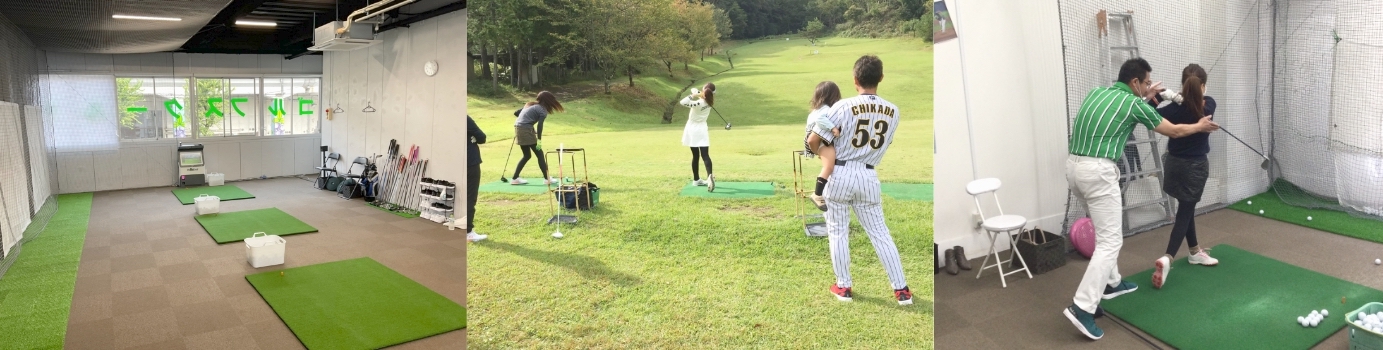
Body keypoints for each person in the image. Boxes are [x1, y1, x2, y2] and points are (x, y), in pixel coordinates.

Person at [1063, 58, 1219, 340]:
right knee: (1111, 241)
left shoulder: (1097, 92)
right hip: (1098, 171)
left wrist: (1150, 98)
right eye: (1147, 82)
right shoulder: (1135, 104)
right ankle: (1082, 307)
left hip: (1073, 168)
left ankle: (1111, 284)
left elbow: (1138, 108)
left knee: (1103, 233)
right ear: (1136, 82)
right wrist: (1200, 126)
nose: (1149, 87)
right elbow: (1173, 130)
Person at [814, 55, 912, 306]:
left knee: (837, 232)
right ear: (880, 78)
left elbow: (816, 139)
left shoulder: (842, 107)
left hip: (840, 172)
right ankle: (901, 290)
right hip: (869, 174)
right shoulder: (894, 111)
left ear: (855, 79)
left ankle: (843, 286)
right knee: (880, 233)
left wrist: (822, 154)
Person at [1152, 64, 1220, 289]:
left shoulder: (1172, 110)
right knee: (1186, 210)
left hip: (1172, 164)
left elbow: (1149, 114)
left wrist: (1162, 98)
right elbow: (1199, 105)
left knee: (1186, 205)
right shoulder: (1208, 103)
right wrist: (1177, 98)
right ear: (1202, 86)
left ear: (1183, 84)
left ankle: (1193, 252)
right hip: (1194, 167)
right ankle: (1168, 257)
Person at [803, 81, 843, 211]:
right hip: (821, 141)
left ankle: (822, 192)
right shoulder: (826, 109)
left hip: (815, 141)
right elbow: (821, 120)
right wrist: (833, 128)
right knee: (829, 167)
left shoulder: (815, 110)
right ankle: (817, 194)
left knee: (829, 166)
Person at [511, 92, 563, 185]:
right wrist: (539, 140)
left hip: (518, 128)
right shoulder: (542, 110)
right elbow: (540, 125)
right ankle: (547, 179)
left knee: (527, 155)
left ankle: (515, 178)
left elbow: (516, 113)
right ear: (548, 100)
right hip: (525, 130)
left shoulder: (530, 105)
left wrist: (525, 122)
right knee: (539, 154)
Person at [681, 82, 717, 191]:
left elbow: (683, 102)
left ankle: (696, 179)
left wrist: (693, 95)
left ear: (704, 91)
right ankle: (709, 175)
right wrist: (699, 94)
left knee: (695, 156)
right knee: (705, 155)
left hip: (692, 129)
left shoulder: (698, 103)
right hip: (702, 129)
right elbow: (703, 96)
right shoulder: (710, 102)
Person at [466, 115, 487, 242]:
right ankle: (467, 231)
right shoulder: (464, 118)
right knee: (469, 196)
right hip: (470, 162)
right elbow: (482, 137)